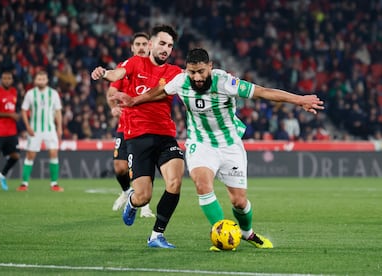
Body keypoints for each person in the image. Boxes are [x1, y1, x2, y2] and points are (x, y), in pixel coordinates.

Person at [111, 48, 325, 250]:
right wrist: (134, 100)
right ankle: (221, 232)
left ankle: (247, 233)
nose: (196, 77)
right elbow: (158, 91)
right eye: (192, 72)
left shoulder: (225, 82)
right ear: (187, 70)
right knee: (202, 185)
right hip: (200, 143)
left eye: (201, 71)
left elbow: (262, 92)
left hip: (230, 145)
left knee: (239, 202)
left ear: (210, 67)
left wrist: (299, 100)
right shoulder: (181, 81)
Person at [91, 25, 184, 248]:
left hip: (165, 135)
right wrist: (104, 73)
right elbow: (117, 74)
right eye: (162, 43)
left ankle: (156, 236)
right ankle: (132, 203)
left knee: (175, 182)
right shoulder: (135, 63)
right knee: (144, 196)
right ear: (151, 44)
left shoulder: (175, 72)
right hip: (138, 136)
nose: (166, 49)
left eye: (170, 46)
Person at [107, 32, 154, 218]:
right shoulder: (124, 67)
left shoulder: (155, 67)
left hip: (148, 125)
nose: (141, 47)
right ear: (132, 48)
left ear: (150, 46)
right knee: (120, 167)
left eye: (144, 44)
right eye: (138, 44)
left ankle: (145, 206)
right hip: (125, 124)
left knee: (145, 166)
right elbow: (111, 90)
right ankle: (128, 193)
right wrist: (112, 107)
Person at [17, 70, 63, 192]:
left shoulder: (53, 94)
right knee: (30, 155)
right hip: (34, 129)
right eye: (39, 79)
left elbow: (58, 111)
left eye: (43, 79)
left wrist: (59, 127)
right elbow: (23, 110)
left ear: (47, 80)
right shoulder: (30, 94)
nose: (41, 81)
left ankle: (54, 184)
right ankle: (24, 183)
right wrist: (27, 127)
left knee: (53, 153)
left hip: (50, 129)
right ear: (35, 80)